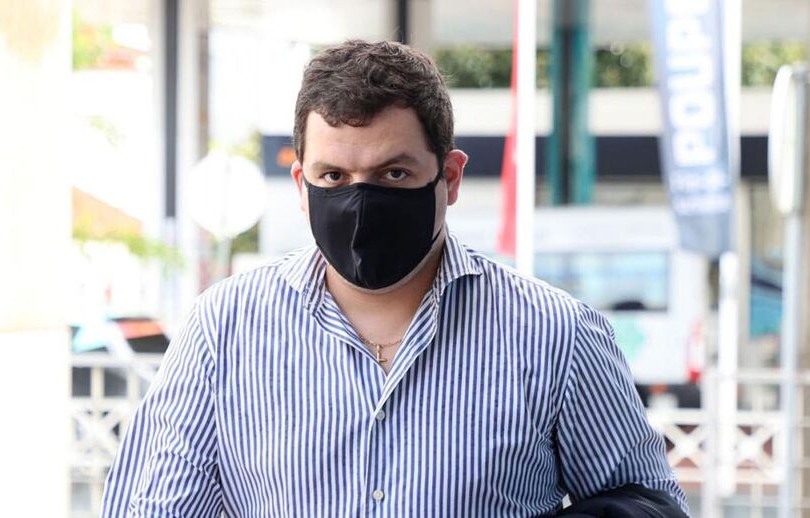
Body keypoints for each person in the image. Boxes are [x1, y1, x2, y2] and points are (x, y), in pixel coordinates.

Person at [101, 40, 688, 517]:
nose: (359, 202)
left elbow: (646, 502)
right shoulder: (224, 330)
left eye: (393, 173)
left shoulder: (556, 335)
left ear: (449, 178)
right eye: (333, 176)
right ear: (301, 186)